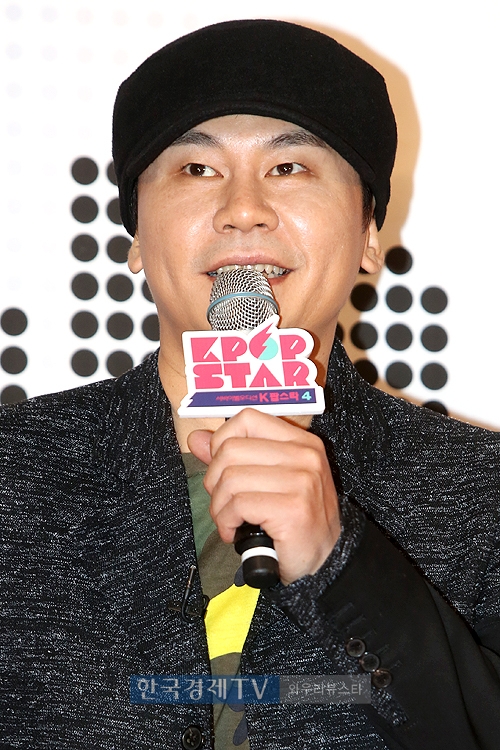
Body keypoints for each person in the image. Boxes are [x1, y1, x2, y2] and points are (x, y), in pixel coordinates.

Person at [1, 18, 499, 750]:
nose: (242, 210)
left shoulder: (481, 494)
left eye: (289, 167)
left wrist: (344, 566)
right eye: (196, 170)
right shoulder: (15, 470)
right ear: (135, 235)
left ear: (369, 231)